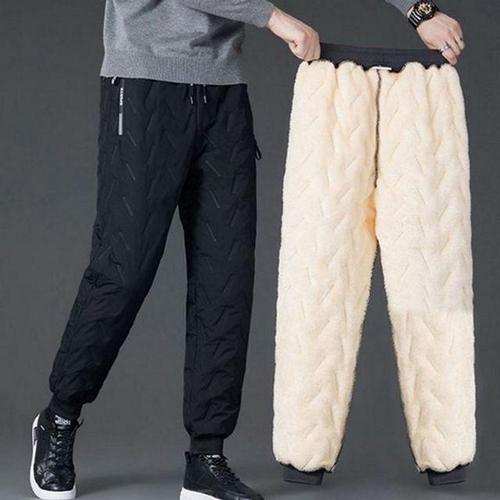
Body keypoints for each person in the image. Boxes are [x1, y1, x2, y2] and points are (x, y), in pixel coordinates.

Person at [29, 2, 464, 500]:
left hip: (223, 93)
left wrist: (418, 10)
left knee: (226, 278)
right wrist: (272, 17)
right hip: (145, 82)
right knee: (122, 270)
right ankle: (59, 417)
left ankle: (206, 457)